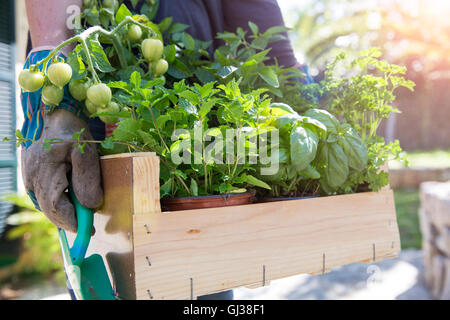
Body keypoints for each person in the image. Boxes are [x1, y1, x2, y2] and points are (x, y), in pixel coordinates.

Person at [21, 0, 312, 300]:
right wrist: (54, 92)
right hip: (87, 117)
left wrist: (296, 88)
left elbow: (260, 22)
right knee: (104, 257)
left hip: (198, 131)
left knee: (203, 279)